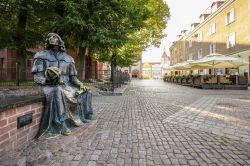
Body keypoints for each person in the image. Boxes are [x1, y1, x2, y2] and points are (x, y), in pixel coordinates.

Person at [32, 33, 93, 137]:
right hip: (48, 85)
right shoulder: (40, 56)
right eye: (49, 37)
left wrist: (81, 84)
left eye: (54, 37)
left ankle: (83, 116)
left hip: (66, 85)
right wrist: (48, 81)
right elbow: (37, 77)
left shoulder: (68, 58)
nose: (51, 38)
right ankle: (61, 123)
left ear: (59, 41)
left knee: (87, 91)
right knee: (57, 90)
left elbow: (73, 78)